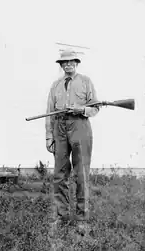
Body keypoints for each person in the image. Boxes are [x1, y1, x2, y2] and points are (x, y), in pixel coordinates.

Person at [45, 49, 100, 233]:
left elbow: (95, 108)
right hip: (59, 127)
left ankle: (82, 218)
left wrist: (81, 109)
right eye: (65, 63)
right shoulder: (55, 85)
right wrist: (49, 136)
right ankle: (61, 216)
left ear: (76, 64)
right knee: (59, 174)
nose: (68, 65)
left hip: (80, 127)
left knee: (81, 174)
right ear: (61, 66)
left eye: (71, 62)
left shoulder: (86, 82)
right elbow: (49, 113)